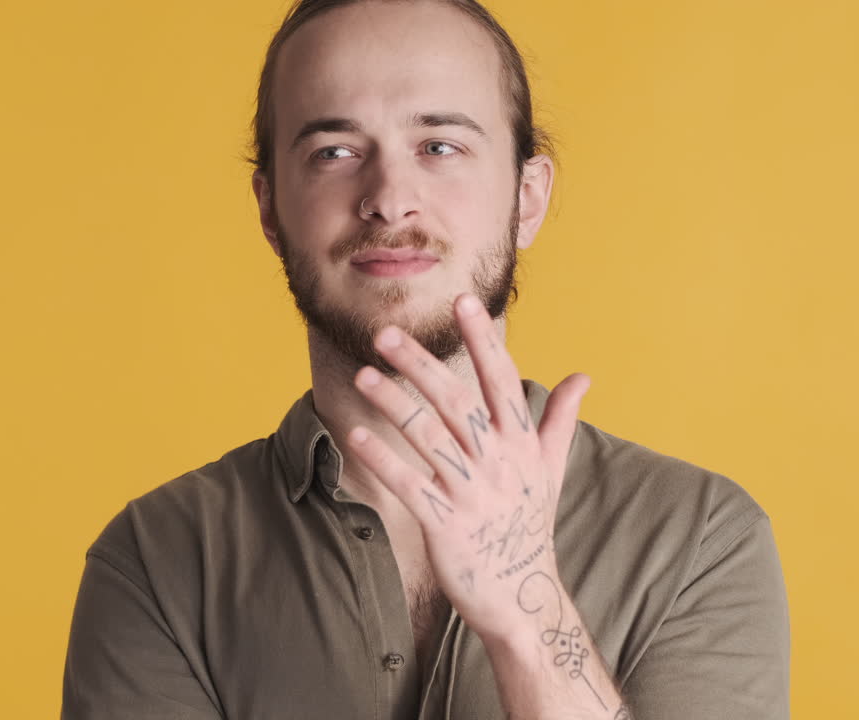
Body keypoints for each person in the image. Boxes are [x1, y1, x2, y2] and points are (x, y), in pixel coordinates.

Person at [60, 1, 791, 718]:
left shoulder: (699, 538)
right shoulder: (156, 561)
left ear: (527, 199)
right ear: (270, 212)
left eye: (439, 146)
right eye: (334, 153)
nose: (389, 199)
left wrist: (529, 616)